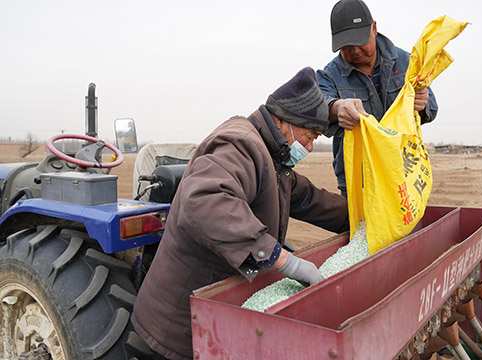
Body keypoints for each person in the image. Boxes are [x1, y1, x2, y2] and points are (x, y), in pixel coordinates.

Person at [131, 67, 349, 360]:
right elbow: (204, 202)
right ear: (283, 121)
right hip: (180, 324)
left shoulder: (274, 157)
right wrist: (283, 260)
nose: (309, 147)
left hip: (210, 316)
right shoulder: (242, 144)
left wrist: (361, 218)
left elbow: (308, 198)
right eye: (309, 137)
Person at [317, 0, 439, 197]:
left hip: (404, 172)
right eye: (346, 46)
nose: (355, 51)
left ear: (374, 28)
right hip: (358, 181)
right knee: (360, 229)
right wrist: (337, 108)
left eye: (359, 42)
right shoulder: (329, 75)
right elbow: (319, 103)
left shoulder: (408, 62)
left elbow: (432, 108)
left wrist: (423, 104)